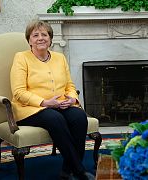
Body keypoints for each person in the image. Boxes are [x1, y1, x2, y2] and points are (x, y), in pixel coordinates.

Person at [10, 20, 93, 180]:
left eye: (44, 34)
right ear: (29, 40)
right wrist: (45, 103)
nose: (40, 38)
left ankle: (66, 170)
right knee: (55, 119)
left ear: (50, 39)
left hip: (60, 104)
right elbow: (19, 92)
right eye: (35, 35)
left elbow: (69, 85)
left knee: (79, 117)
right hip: (31, 109)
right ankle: (79, 170)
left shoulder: (59, 57)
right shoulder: (21, 58)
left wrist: (72, 98)